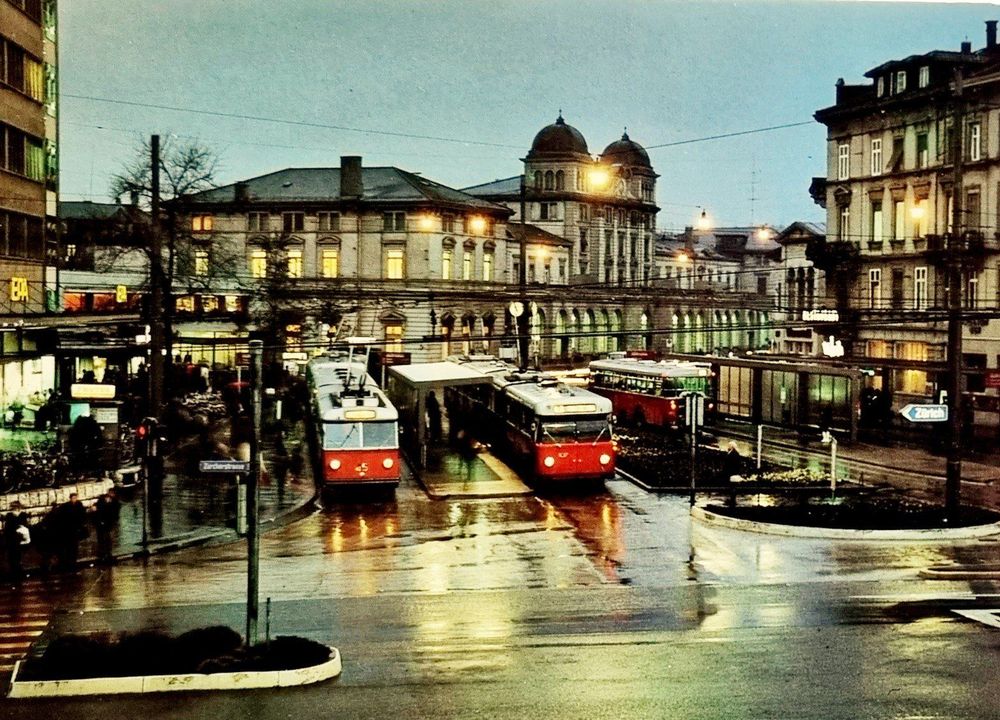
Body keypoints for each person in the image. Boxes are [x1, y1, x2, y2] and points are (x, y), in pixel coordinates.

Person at [54, 493, 88, 571]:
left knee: (74, 547)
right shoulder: (66, 506)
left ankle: (73, 563)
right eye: (73, 498)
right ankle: (69, 563)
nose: (74, 499)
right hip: (69, 530)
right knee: (69, 547)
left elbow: (82, 515)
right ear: (70, 498)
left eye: (75, 498)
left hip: (75, 530)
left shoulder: (79, 505)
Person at [93, 489, 120, 564]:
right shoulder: (102, 500)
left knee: (107, 538)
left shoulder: (114, 502)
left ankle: (107, 553)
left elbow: (115, 512)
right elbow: (98, 510)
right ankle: (102, 553)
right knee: (101, 538)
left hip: (108, 522)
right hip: (100, 522)